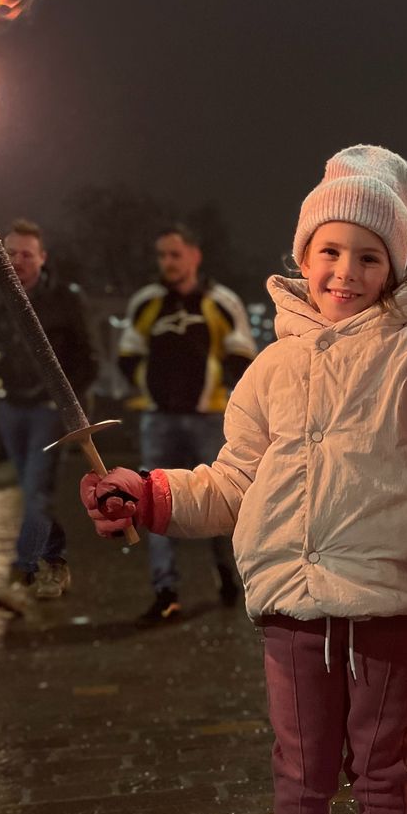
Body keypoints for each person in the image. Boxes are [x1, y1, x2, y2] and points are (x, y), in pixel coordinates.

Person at [82, 146, 407, 814]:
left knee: (384, 773)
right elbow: (234, 481)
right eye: (329, 252)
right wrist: (149, 495)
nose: (345, 271)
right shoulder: (270, 369)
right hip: (292, 605)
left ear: (394, 266)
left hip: (389, 603)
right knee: (300, 774)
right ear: (303, 256)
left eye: (368, 256)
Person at [118, 224, 258, 624]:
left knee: (224, 500)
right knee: (151, 501)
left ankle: (230, 576)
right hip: (158, 418)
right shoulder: (146, 302)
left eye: (174, 254)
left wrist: (216, 389)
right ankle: (166, 590)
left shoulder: (221, 301)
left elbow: (242, 354)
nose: (167, 263)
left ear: (194, 255)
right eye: (162, 255)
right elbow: (127, 353)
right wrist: (152, 386)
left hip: (209, 419)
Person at [0, 219, 97, 613]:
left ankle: (21, 574)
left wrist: (65, 401)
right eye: (10, 253)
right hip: (12, 407)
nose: (17, 260)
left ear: (42, 258)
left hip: (47, 410)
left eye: (26, 254)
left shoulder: (64, 300)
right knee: (33, 493)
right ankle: (55, 561)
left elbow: (87, 358)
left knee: (38, 490)